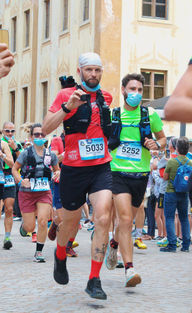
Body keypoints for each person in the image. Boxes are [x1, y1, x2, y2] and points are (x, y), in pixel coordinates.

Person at [42, 52, 113, 300]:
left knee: (103, 217)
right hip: (73, 168)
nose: (93, 74)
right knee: (70, 223)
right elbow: (46, 127)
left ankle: (94, 279)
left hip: (101, 167)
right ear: (80, 70)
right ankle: (60, 254)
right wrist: (68, 107)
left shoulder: (106, 98)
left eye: (98, 70)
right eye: (89, 70)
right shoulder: (65, 95)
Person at [105, 73, 166, 287]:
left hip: (140, 176)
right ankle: (130, 269)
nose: (136, 94)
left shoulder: (150, 114)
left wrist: (156, 145)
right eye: (132, 89)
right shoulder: (114, 114)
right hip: (118, 172)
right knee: (124, 219)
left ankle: (114, 243)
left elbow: (163, 139)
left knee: (126, 222)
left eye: (140, 90)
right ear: (123, 90)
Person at [12, 123, 60, 262]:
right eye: (36, 134)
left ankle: (39, 252)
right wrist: (21, 181)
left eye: (42, 134)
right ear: (31, 137)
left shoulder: (50, 154)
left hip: (44, 191)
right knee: (30, 226)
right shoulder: (26, 153)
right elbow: (15, 169)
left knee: (43, 221)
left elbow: (57, 169)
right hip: (26, 192)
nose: (39, 137)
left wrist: (57, 173)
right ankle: (24, 227)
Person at [161, 136, 191, 252]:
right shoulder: (190, 162)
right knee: (184, 218)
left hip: (171, 192)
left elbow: (165, 177)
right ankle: (185, 246)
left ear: (177, 148)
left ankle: (172, 245)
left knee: (169, 218)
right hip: (184, 193)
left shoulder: (172, 162)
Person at [1, 121, 23, 249]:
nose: (10, 133)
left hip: (10, 176)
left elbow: (22, 160)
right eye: (7, 131)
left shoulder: (18, 144)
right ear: (2, 131)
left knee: (9, 209)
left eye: (12, 131)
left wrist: (15, 148)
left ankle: (7, 237)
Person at [0, 118, 14, 249]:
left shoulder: (3, 144)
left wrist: (3, 156)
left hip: (2, 179)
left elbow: (12, 164)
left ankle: (7, 237)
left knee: (6, 209)